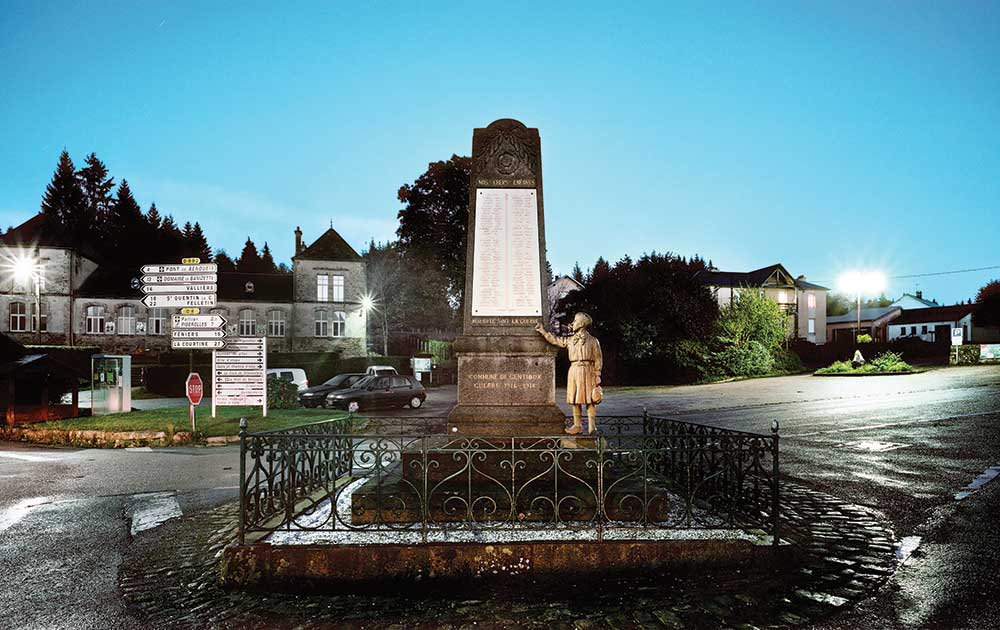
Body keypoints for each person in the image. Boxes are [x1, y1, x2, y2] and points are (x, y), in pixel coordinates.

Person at [535, 312, 603, 435]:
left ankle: (592, 428)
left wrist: (597, 374)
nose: (573, 323)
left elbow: (598, 358)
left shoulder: (593, 341)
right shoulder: (571, 340)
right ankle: (577, 426)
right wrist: (543, 332)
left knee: (590, 400)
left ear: (582, 324)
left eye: (575, 321)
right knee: (575, 400)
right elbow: (556, 340)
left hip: (588, 370)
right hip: (574, 370)